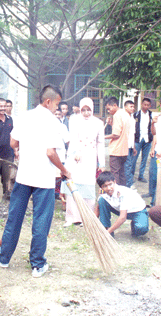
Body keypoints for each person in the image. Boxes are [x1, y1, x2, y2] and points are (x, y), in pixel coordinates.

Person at [0, 85, 71, 278]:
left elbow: (13, 143)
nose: (57, 108)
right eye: (57, 103)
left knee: (15, 217)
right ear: (48, 101)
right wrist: (65, 170)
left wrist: (28, 145)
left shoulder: (24, 116)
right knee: (41, 221)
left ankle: (4, 257)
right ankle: (37, 264)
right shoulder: (53, 122)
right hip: (44, 179)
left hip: (24, 175)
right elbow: (51, 152)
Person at [60, 97, 105, 226]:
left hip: (90, 157)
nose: (86, 113)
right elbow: (73, 138)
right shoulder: (74, 120)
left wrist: (101, 163)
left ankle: (86, 216)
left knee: (88, 184)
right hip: (76, 157)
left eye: (88, 110)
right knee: (74, 183)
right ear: (80, 109)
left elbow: (100, 143)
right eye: (83, 110)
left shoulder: (98, 123)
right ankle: (72, 217)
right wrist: (76, 152)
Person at [95, 171, 149, 238]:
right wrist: (92, 223)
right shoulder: (102, 192)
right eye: (105, 186)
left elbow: (122, 218)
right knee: (102, 201)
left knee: (141, 228)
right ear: (101, 187)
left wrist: (107, 232)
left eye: (110, 184)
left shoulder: (122, 193)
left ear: (115, 182)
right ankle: (105, 227)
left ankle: (135, 224)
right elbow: (98, 208)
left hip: (137, 211)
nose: (108, 188)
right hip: (121, 209)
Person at [104, 97, 131, 186]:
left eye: (109, 108)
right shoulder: (125, 113)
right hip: (123, 150)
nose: (108, 111)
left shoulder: (117, 115)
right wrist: (111, 124)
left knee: (115, 174)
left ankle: (116, 192)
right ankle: (123, 192)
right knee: (122, 173)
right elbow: (121, 129)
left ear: (115, 105)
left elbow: (116, 134)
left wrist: (102, 137)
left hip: (116, 150)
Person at [132, 98, 153, 183]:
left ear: (150, 106)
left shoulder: (151, 114)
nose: (146, 106)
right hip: (138, 139)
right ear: (142, 104)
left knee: (144, 159)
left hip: (147, 139)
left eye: (148, 105)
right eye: (145, 104)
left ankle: (141, 176)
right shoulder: (135, 115)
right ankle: (131, 176)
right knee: (134, 158)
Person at [123, 100, 138, 188]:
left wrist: (134, 147)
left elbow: (133, 134)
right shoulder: (124, 117)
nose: (132, 108)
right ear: (125, 107)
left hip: (131, 145)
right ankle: (128, 184)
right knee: (127, 165)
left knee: (129, 164)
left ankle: (128, 182)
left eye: (133, 107)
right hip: (125, 145)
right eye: (130, 106)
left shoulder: (132, 118)